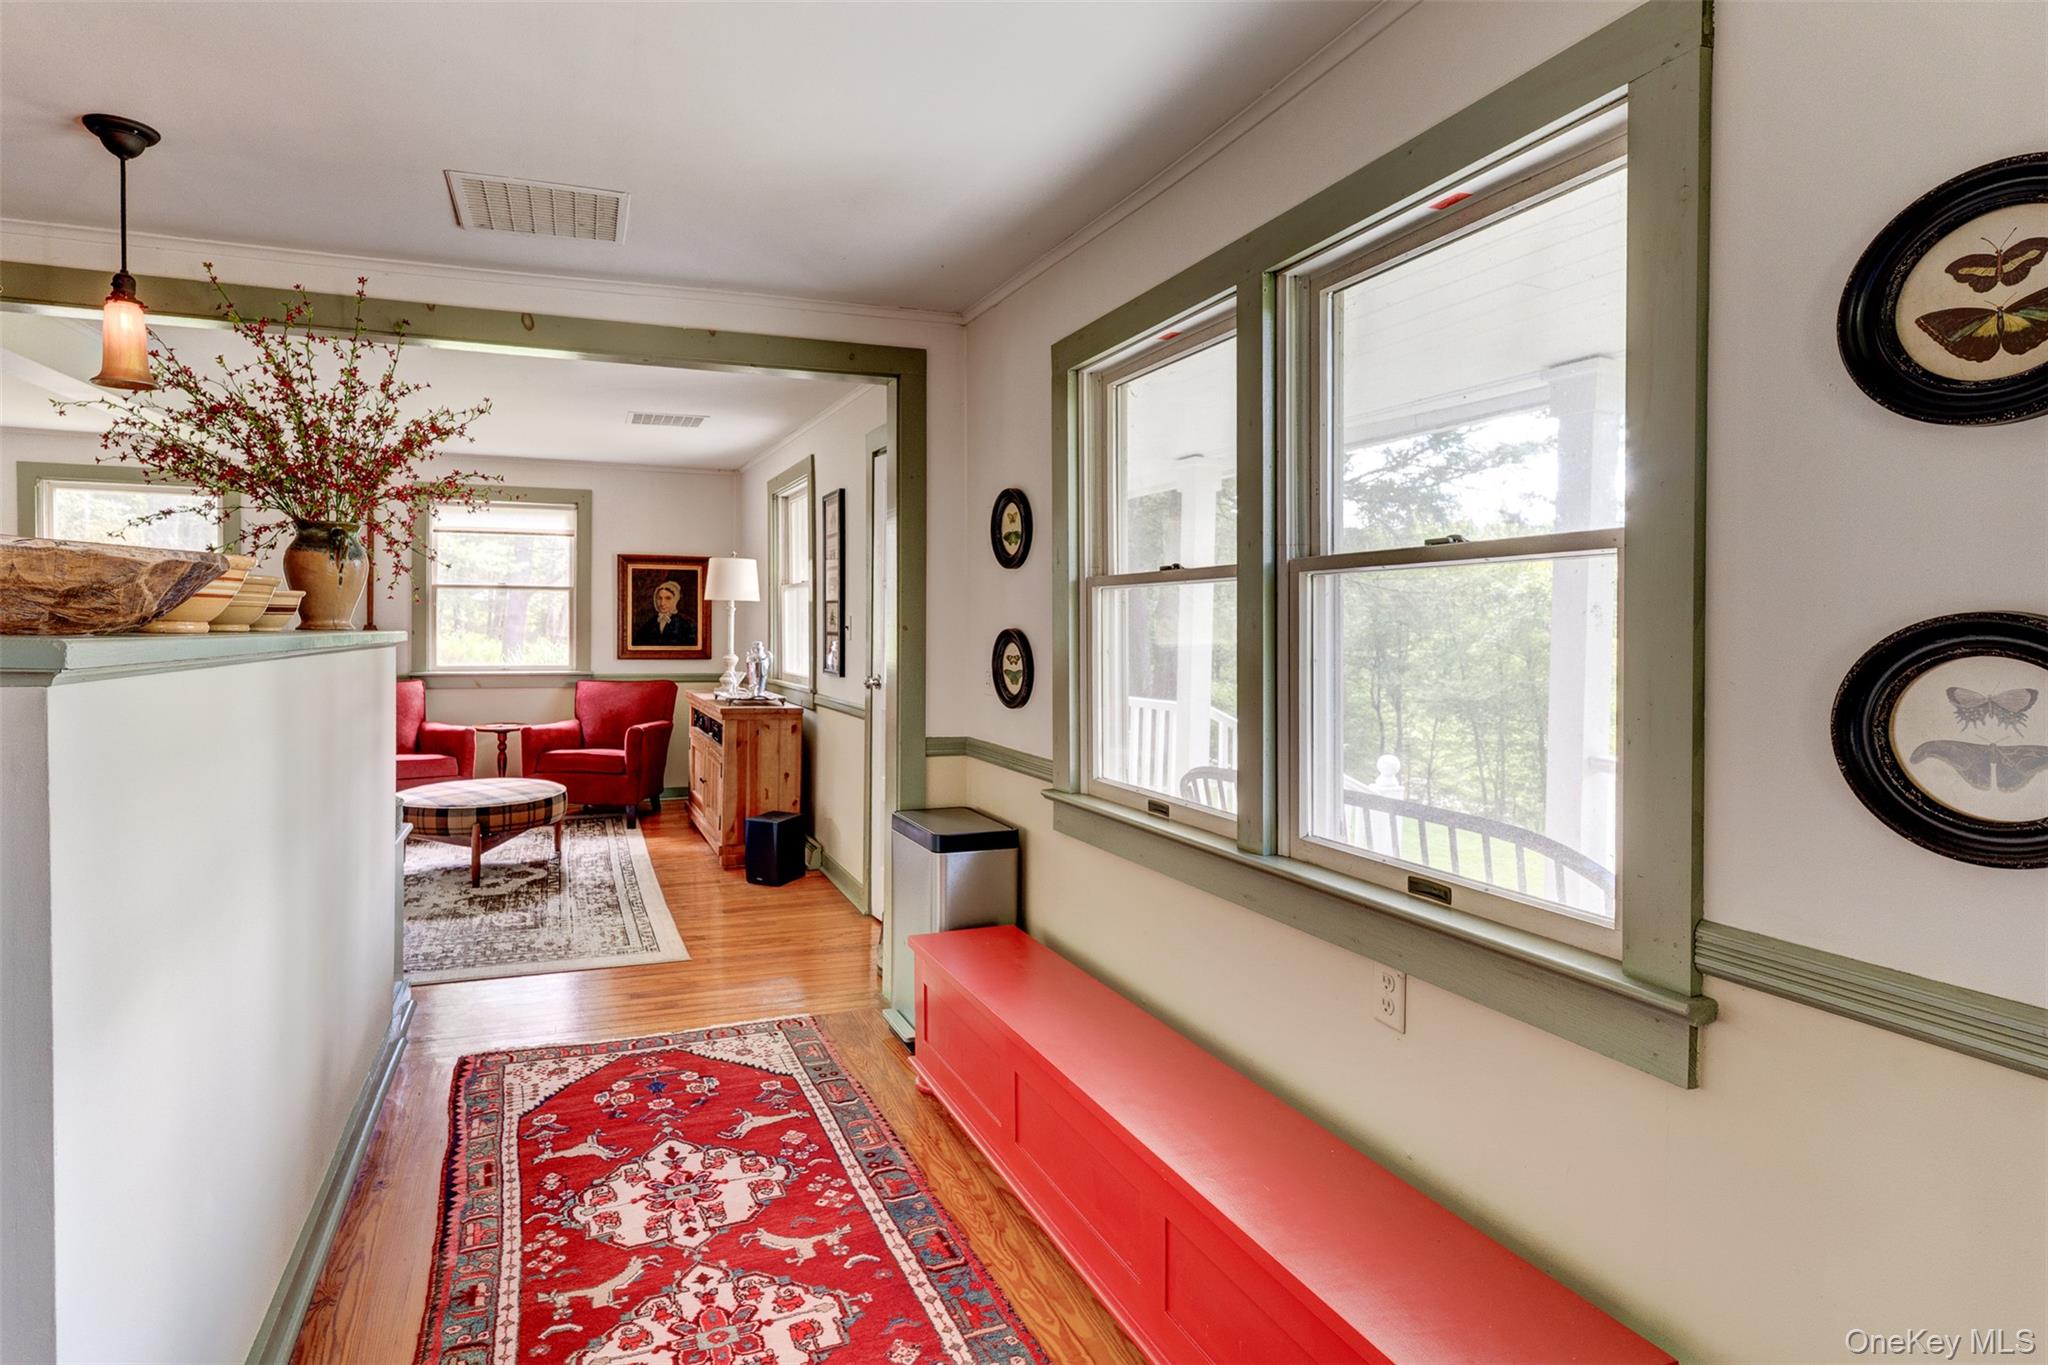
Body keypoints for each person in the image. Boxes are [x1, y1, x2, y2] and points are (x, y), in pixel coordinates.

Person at [633, 578, 695, 648]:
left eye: (668, 598)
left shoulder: (685, 624)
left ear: (675, 600)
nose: (662, 603)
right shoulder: (649, 623)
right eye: (659, 598)